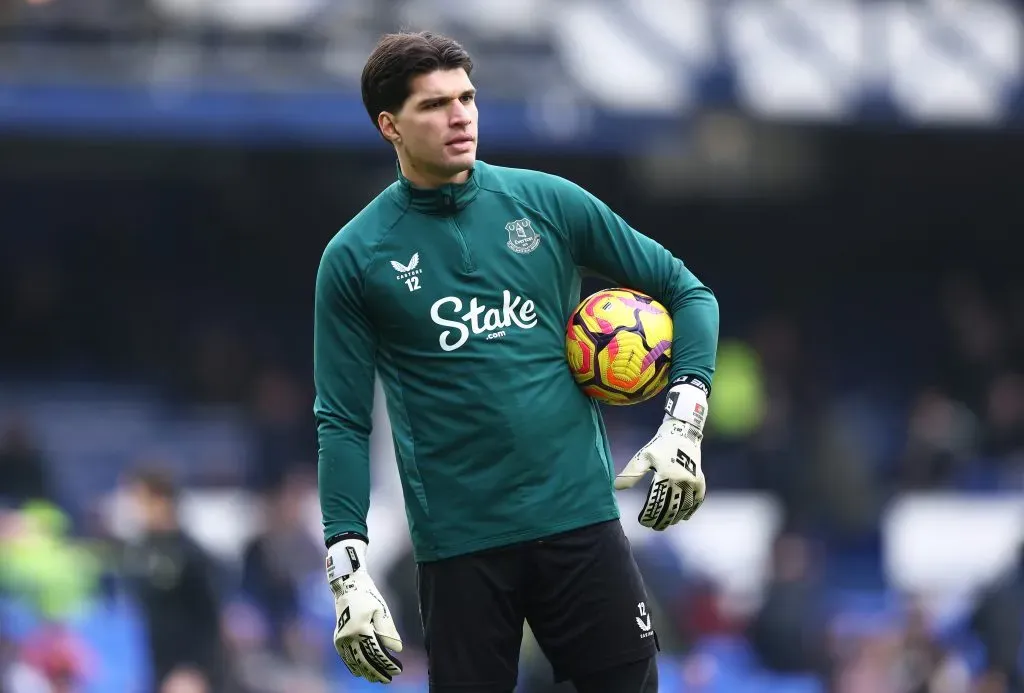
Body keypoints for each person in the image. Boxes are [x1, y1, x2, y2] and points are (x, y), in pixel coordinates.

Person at [313, 31, 720, 693]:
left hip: (579, 522)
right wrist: (347, 569)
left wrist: (684, 422)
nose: (460, 115)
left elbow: (688, 292)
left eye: (467, 97)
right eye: (435, 104)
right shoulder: (356, 257)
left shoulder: (548, 203)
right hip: (461, 548)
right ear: (390, 125)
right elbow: (341, 419)